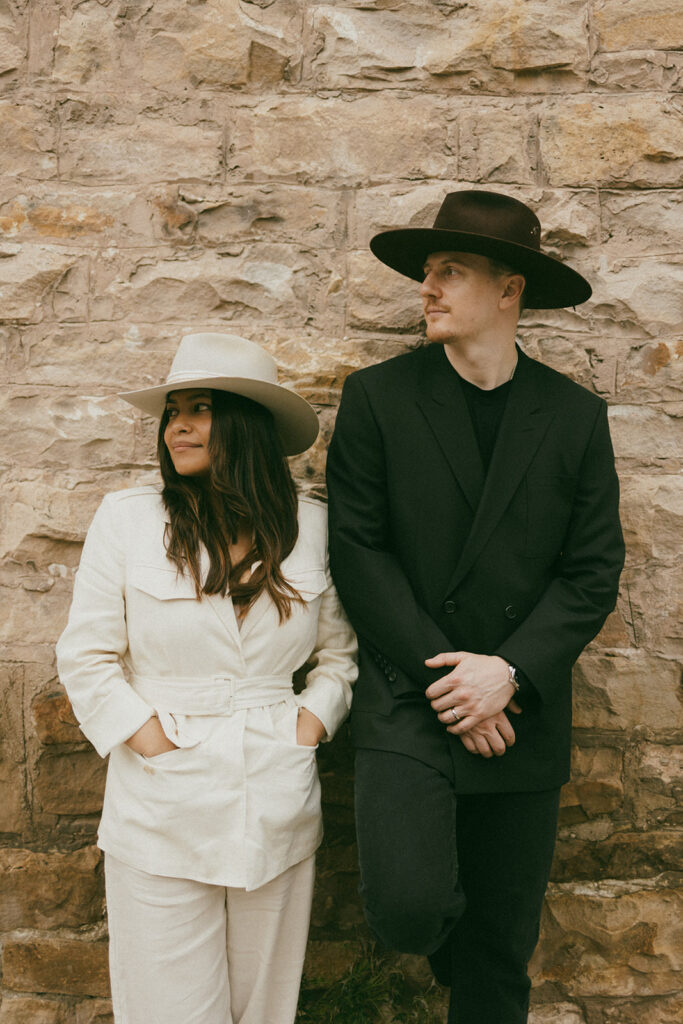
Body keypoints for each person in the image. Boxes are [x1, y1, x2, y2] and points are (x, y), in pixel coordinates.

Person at [326, 190, 625, 1024]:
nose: (427, 288)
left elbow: (592, 570)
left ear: (509, 289)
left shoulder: (572, 417)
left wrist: (510, 672)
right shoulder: (377, 398)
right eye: (426, 273)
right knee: (409, 908)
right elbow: (358, 549)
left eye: (449, 272)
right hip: (410, 696)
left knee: (498, 959)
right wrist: (451, 684)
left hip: (518, 711)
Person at [57, 332, 357, 1024]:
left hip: (276, 789)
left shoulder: (310, 527)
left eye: (199, 408)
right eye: (172, 411)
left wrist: (306, 727)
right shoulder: (129, 521)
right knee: (169, 1010)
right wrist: (149, 740)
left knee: (265, 1009)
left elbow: (342, 656)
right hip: (159, 800)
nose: (178, 426)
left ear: (247, 426)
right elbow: (87, 655)